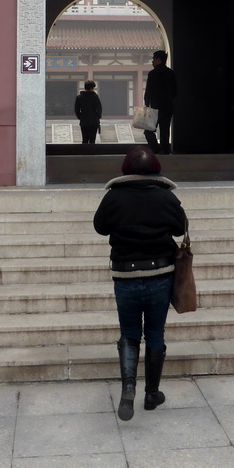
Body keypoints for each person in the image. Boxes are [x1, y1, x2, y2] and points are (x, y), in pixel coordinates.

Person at [93, 146, 186, 421]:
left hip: (125, 278)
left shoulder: (114, 197)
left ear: (126, 168)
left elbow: (100, 226)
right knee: (155, 334)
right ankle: (152, 394)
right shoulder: (166, 197)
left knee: (130, 333)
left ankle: (129, 389)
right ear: (156, 167)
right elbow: (181, 228)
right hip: (160, 275)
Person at [143, 50, 176, 154]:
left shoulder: (153, 73)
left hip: (155, 108)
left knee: (148, 131)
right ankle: (165, 152)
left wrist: (146, 104)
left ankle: (157, 150)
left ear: (158, 59)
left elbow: (148, 90)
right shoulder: (170, 72)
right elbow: (175, 91)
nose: (152, 61)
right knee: (165, 131)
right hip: (168, 107)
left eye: (153, 59)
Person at [74, 79, 102, 143]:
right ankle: (91, 152)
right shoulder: (95, 96)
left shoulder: (79, 97)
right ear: (92, 87)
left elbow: (76, 109)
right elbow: (99, 108)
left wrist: (80, 116)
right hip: (94, 121)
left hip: (84, 121)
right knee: (92, 140)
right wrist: (98, 116)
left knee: (84, 139)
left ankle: (84, 152)